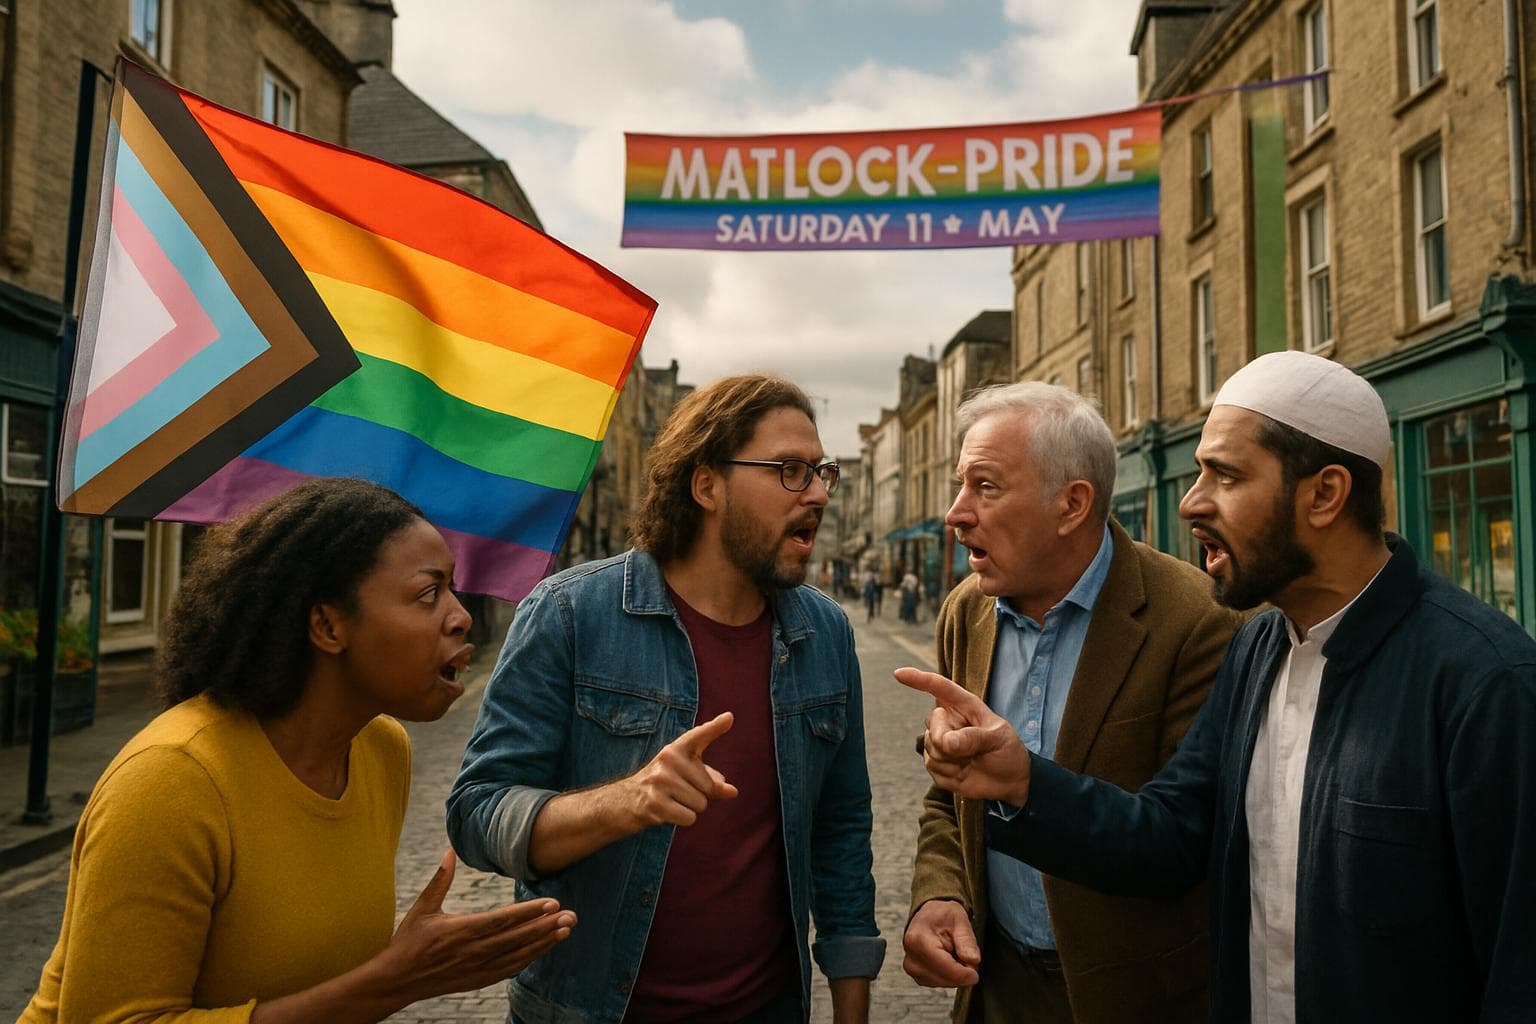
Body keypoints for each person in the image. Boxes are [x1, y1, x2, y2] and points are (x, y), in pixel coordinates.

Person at [900, 351, 1536, 1023]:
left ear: (1324, 494)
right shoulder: (1259, 649)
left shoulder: (1486, 684)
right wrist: (1023, 780)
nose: (1192, 501)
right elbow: (1169, 839)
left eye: (1225, 476)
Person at [21, 478, 575, 1023]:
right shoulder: (171, 781)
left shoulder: (381, 750)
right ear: (328, 625)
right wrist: (392, 981)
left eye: (452, 590)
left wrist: (394, 967)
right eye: (429, 593)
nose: (461, 616)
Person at [447, 374, 883, 1024]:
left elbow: (841, 829)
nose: (818, 491)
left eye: (821, 471)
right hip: (591, 1010)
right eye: (791, 470)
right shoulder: (571, 614)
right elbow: (478, 816)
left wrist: (851, 1003)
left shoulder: (824, 633)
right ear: (706, 483)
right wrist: (622, 803)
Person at [902, 382, 1242, 1024]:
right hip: (993, 986)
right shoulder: (965, 611)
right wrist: (937, 895)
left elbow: (1182, 845)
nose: (957, 512)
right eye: (960, 484)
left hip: (1133, 998)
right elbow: (947, 798)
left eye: (986, 486)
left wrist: (1027, 783)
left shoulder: (1195, 622)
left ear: (1072, 505)